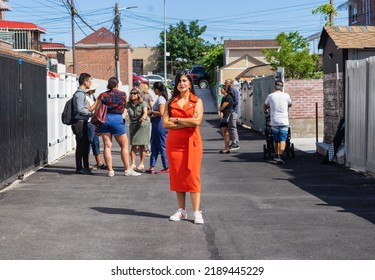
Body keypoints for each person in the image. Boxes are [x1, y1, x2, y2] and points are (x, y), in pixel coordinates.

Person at [162, 70, 204, 224]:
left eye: (185, 80)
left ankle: (197, 212)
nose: (182, 83)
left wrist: (177, 119)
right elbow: (166, 124)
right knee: (177, 175)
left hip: (192, 143)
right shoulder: (170, 102)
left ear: (190, 83)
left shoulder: (196, 101)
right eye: (179, 81)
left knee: (192, 176)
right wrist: (187, 120)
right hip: (174, 145)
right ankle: (181, 210)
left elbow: (197, 121)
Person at [91, 77, 141, 177]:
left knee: (107, 146)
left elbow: (93, 108)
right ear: (117, 84)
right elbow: (123, 109)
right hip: (117, 119)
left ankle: (110, 171)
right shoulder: (123, 94)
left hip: (105, 120)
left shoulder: (103, 95)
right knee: (124, 145)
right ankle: (127, 169)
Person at [264, 80, 292, 163]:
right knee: (283, 139)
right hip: (284, 121)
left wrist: (266, 110)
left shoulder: (270, 96)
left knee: (275, 139)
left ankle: (276, 154)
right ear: (282, 87)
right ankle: (280, 155)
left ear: (274, 87)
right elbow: (290, 104)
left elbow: (265, 105)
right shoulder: (286, 95)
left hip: (274, 121)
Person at [71, 73, 93, 175]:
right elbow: (80, 109)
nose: (90, 83)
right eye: (89, 81)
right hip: (79, 122)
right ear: (85, 82)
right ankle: (80, 168)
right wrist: (90, 113)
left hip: (82, 121)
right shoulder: (80, 94)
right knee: (81, 145)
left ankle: (85, 167)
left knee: (85, 144)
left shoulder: (82, 93)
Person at [146, 82, 169, 174]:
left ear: (156, 89)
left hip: (160, 123)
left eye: (153, 89)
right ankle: (151, 166)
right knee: (154, 145)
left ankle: (166, 166)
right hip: (156, 123)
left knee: (162, 145)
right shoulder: (160, 98)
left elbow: (161, 113)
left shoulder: (161, 99)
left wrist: (151, 112)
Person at [126, 87, 150, 171]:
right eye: (131, 93)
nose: (132, 95)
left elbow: (145, 112)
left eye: (135, 93)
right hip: (133, 125)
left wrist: (143, 117)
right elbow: (124, 112)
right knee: (133, 144)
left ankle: (142, 163)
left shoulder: (143, 103)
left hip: (142, 125)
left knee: (141, 145)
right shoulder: (128, 104)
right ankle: (133, 163)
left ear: (138, 95)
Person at [86, 83, 106, 170]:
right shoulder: (85, 97)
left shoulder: (91, 96)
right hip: (88, 122)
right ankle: (86, 162)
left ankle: (99, 162)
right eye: (93, 88)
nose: (95, 90)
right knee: (89, 142)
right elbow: (89, 109)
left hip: (93, 122)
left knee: (96, 142)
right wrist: (98, 101)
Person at [225, 78, 240, 151]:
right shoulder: (229, 91)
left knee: (233, 126)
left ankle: (235, 143)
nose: (226, 84)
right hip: (231, 111)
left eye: (227, 83)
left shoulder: (234, 90)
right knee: (231, 126)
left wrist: (229, 105)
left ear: (231, 83)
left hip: (233, 111)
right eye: (225, 83)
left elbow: (236, 101)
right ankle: (234, 142)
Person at [218, 84, 234, 154]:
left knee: (225, 132)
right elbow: (221, 108)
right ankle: (226, 147)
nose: (220, 90)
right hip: (224, 115)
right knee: (224, 131)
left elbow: (222, 107)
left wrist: (220, 109)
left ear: (225, 90)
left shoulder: (228, 97)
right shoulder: (223, 97)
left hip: (228, 115)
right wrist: (221, 112)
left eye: (222, 89)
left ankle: (227, 148)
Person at [139, 83, 154, 157]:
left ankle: (142, 149)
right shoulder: (149, 96)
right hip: (147, 116)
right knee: (148, 134)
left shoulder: (139, 96)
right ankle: (148, 150)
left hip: (139, 116)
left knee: (141, 133)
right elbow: (152, 107)